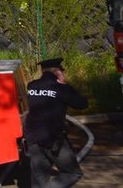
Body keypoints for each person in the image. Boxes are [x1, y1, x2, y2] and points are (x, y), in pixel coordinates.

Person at [23, 58, 89, 188]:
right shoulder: (61, 88)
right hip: (52, 137)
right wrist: (65, 84)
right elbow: (82, 104)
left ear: (43, 71)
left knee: (39, 179)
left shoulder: (32, 85)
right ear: (57, 71)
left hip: (32, 137)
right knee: (73, 173)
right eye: (60, 70)